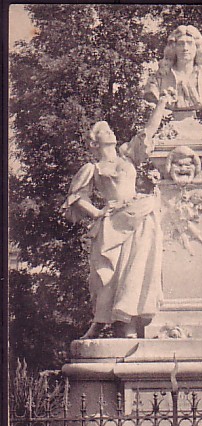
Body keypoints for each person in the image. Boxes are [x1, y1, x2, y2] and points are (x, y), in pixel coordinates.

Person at [62, 90, 176, 339]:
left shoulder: (126, 156)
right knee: (108, 275)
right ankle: (100, 322)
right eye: (104, 131)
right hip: (113, 221)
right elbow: (76, 197)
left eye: (110, 130)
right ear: (95, 142)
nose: (111, 132)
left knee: (135, 268)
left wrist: (163, 102)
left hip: (138, 213)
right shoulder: (93, 168)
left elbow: (148, 131)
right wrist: (98, 213)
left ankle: (127, 325)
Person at [144, 25, 202, 111]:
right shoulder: (156, 81)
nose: (185, 48)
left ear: (197, 48)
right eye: (180, 44)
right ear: (173, 48)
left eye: (190, 43)